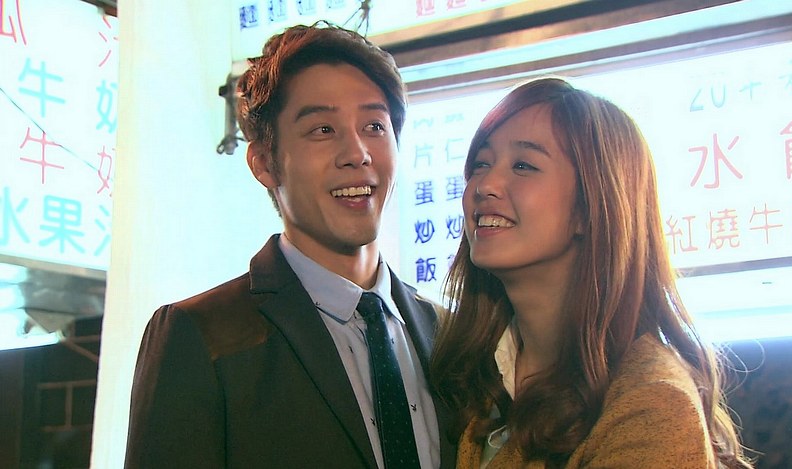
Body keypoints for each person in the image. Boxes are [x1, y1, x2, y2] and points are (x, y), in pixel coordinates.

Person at [125, 22, 456, 469]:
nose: (357, 153)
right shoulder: (201, 335)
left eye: (374, 125)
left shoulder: (449, 335)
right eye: (323, 129)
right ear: (264, 162)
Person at [430, 77, 754, 468]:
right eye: (481, 164)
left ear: (591, 207)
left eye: (523, 165)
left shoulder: (651, 401)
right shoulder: (473, 374)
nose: (485, 185)